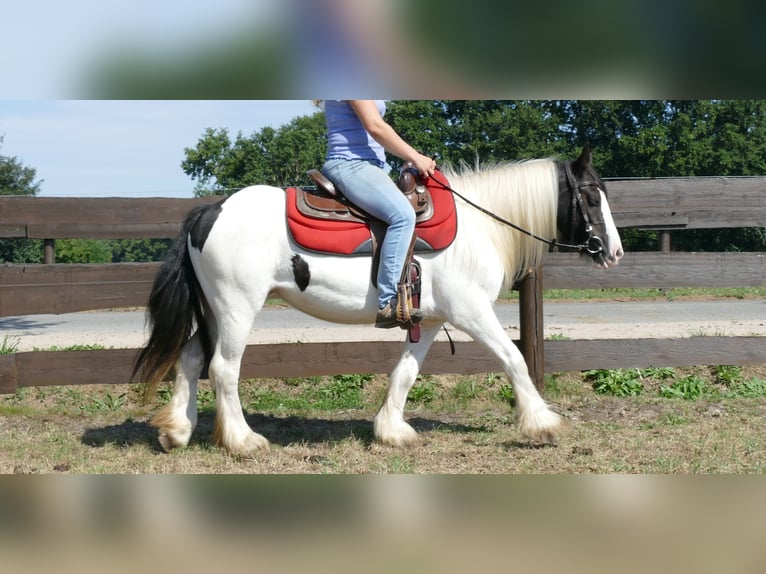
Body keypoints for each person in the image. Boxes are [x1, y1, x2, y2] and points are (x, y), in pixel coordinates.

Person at [319, 100, 436, 328]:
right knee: (403, 216)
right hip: (351, 165)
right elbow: (375, 126)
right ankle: (388, 302)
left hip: (370, 166)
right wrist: (415, 156)